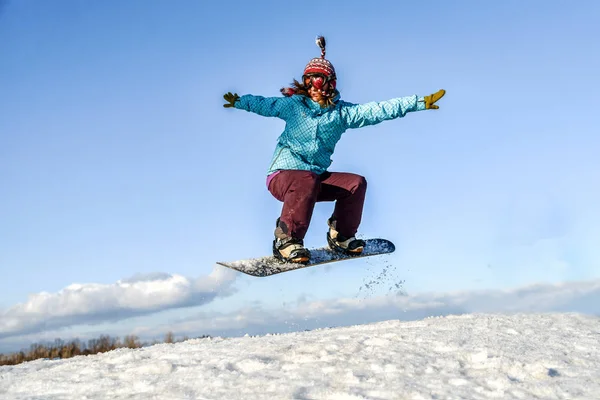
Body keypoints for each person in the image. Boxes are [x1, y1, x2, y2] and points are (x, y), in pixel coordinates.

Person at [223, 36, 445, 264]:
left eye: (318, 82)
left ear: (330, 84)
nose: (313, 88)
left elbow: (377, 110)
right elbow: (265, 104)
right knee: (306, 178)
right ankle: (287, 241)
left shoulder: (342, 113)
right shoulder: (294, 106)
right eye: (308, 83)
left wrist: (418, 102)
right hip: (282, 176)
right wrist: (240, 101)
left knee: (355, 184)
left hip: (312, 180)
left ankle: (341, 236)